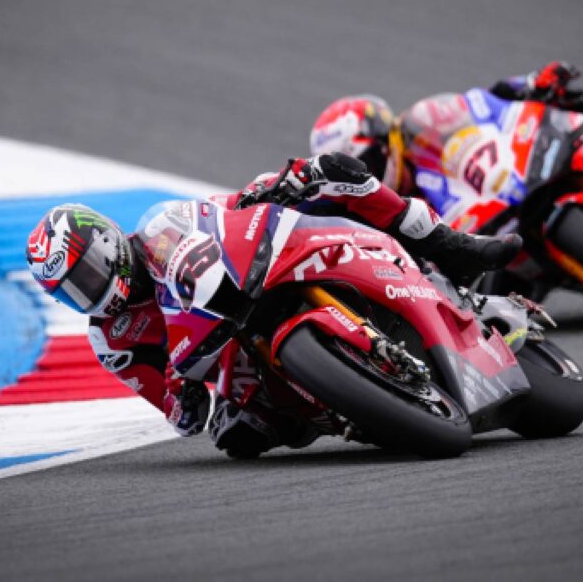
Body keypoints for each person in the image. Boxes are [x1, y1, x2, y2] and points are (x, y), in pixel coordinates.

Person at [26, 153, 521, 458]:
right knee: (238, 437)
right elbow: (176, 415)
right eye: (74, 290)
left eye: (88, 272)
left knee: (331, 170)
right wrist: (187, 396)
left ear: (108, 243)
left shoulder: (160, 230)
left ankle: (451, 245)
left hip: (261, 267)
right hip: (233, 356)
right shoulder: (112, 340)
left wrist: (272, 187)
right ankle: (364, 404)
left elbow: (221, 210)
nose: (89, 291)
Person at [309, 62, 583, 196]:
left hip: (512, 175)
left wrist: (531, 83)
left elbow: (484, 102)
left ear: (385, 137)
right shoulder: (387, 211)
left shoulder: (425, 126)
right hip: (492, 243)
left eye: (371, 160)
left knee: (568, 106)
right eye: (359, 170)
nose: (371, 172)